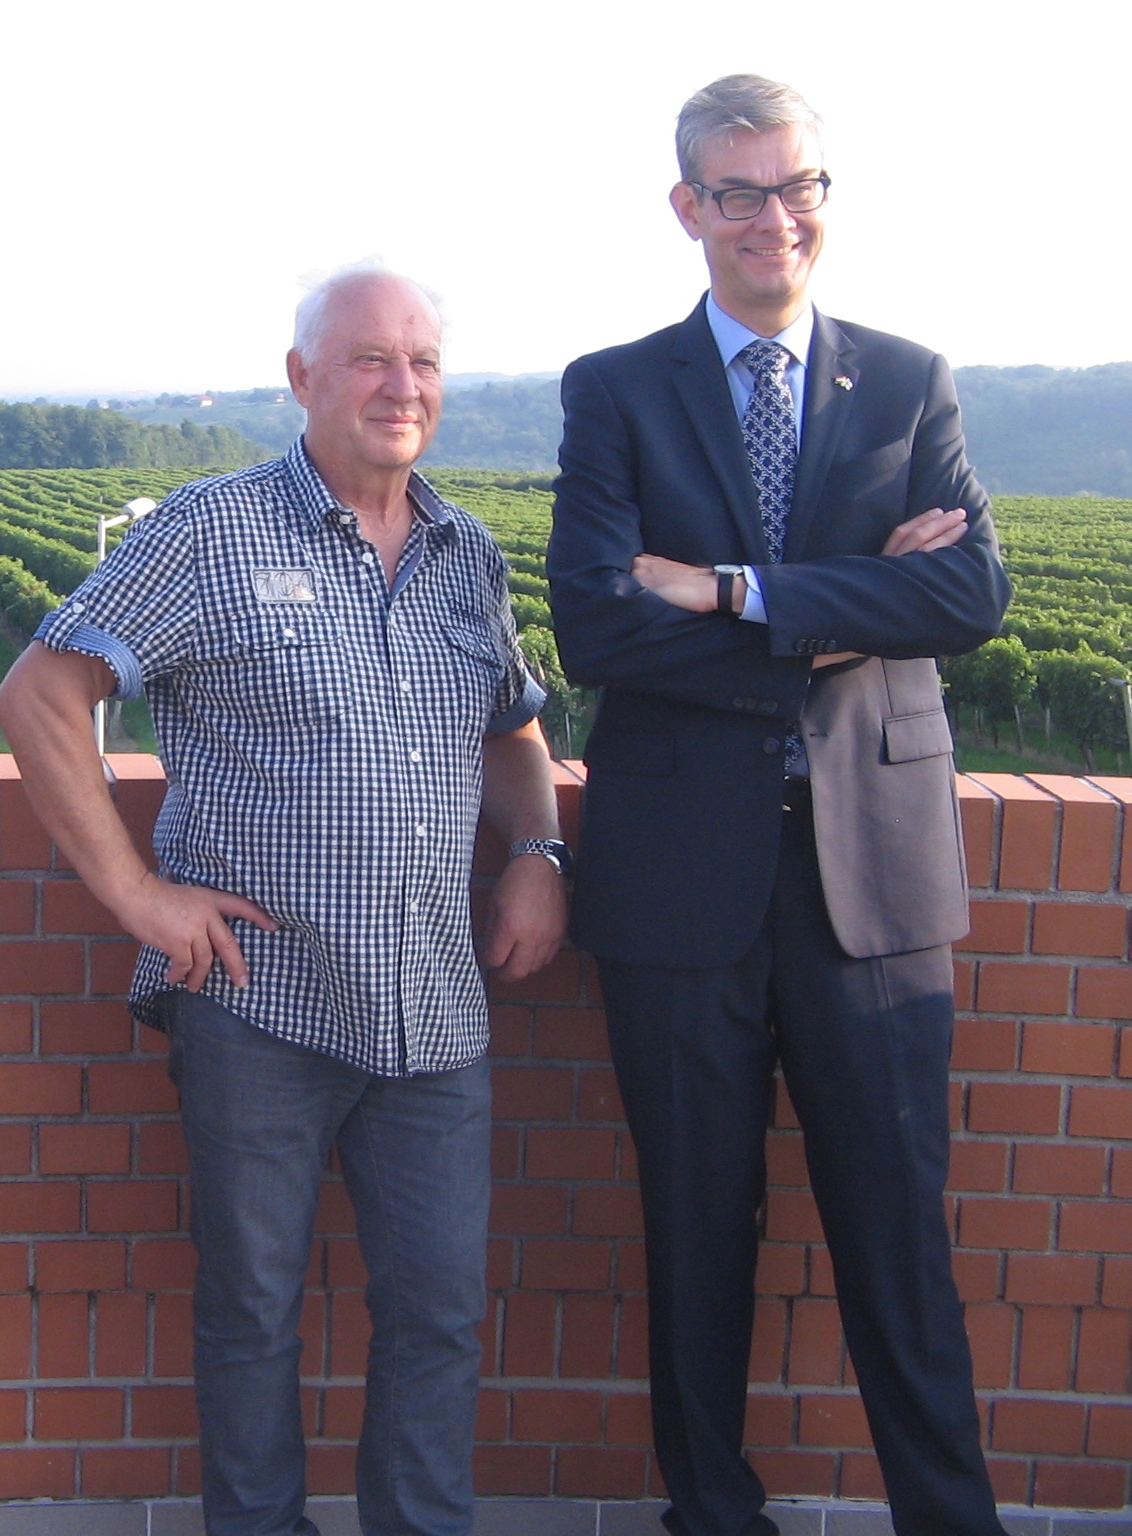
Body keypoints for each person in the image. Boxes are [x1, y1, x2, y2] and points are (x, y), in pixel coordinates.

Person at [0, 265, 569, 1536]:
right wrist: (137, 896)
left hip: (433, 1013)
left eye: (422, 361)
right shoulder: (212, 530)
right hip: (260, 1001)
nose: (401, 385)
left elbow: (513, 728)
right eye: (368, 359)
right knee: (250, 1312)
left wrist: (537, 852)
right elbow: (37, 696)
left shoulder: (465, 553)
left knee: (438, 1315)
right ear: (301, 378)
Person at [545, 76, 1012, 1536]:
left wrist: (734, 593)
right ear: (687, 208)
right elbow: (598, 629)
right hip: (678, 885)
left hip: (877, 884)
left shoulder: (911, 379)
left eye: (796, 185)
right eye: (738, 191)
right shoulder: (614, 389)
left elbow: (969, 595)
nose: (773, 217)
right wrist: (851, 609)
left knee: (899, 1243)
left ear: (823, 196)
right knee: (695, 1235)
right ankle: (711, 1516)